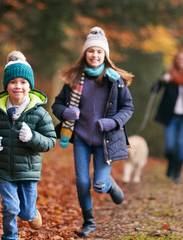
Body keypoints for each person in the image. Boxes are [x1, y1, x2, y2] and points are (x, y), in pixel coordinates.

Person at [52, 26, 134, 237]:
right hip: (80, 137)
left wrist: (112, 122)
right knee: (82, 182)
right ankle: (89, 222)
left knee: (98, 184)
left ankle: (109, 184)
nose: (94, 55)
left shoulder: (115, 81)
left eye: (99, 51)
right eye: (91, 51)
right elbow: (57, 105)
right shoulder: (74, 80)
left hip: (105, 140)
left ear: (105, 54)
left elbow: (128, 108)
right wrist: (67, 113)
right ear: (84, 53)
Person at [0, 51, 56, 240]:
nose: (18, 86)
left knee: (26, 213)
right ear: (6, 85)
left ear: (30, 85)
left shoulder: (39, 114)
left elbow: (50, 141)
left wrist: (32, 137)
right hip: (4, 169)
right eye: (13, 82)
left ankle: (32, 214)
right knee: (10, 208)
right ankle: (10, 236)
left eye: (23, 82)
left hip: (28, 172)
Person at [152, 49, 183, 183]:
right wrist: (162, 81)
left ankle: (176, 173)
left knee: (180, 144)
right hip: (170, 117)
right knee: (169, 146)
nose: (181, 62)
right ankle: (171, 165)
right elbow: (154, 90)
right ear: (175, 61)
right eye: (179, 59)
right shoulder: (168, 75)